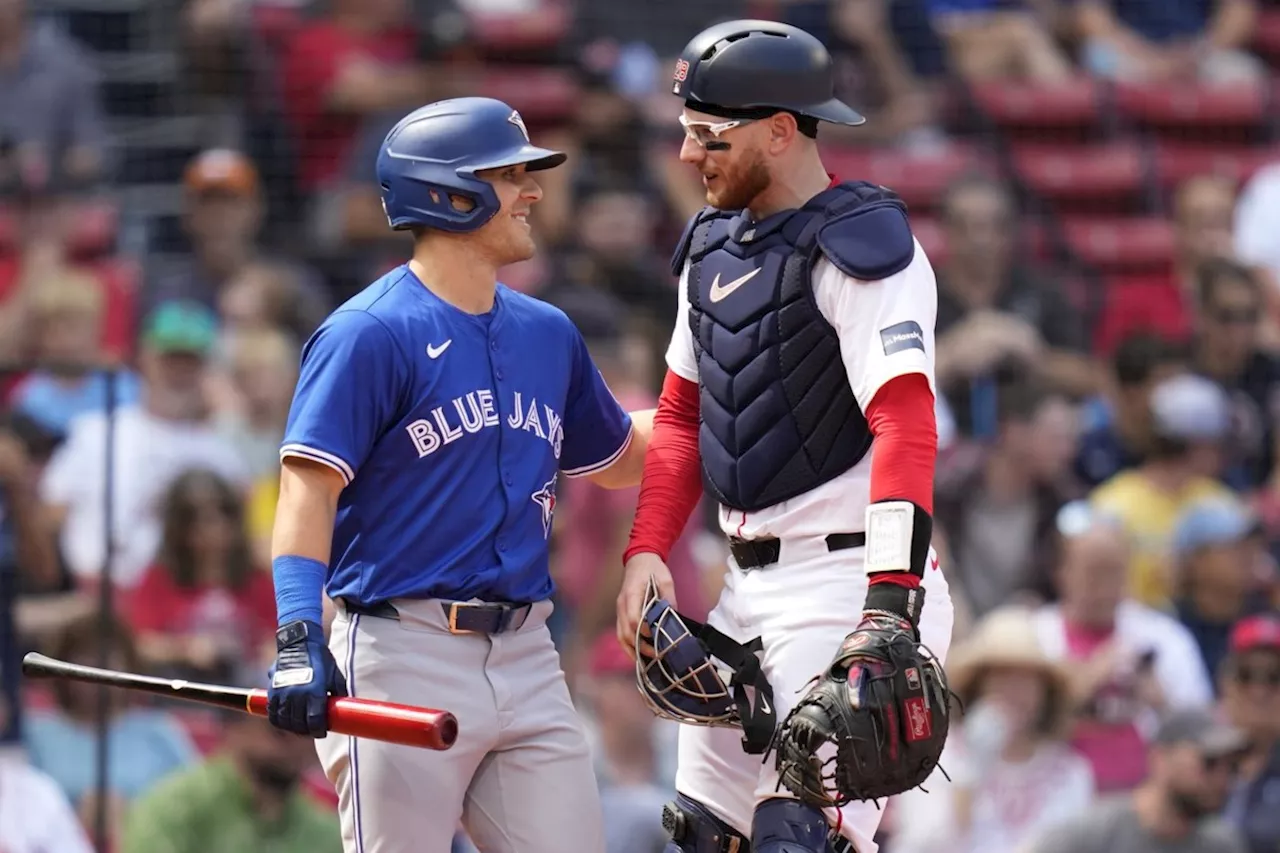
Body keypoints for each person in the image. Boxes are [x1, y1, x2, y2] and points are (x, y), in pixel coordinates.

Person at [264, 96, 656, 853]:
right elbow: (308, 488)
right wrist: (296, 633)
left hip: (529, 651)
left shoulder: (548, 331)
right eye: (509, 175)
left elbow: (619, 458)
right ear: (447, 193)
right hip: (401, 647)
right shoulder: (368, 333)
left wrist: (719, 398)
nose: (533, 192)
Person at [615, 20, 955, 853]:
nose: (690, 154)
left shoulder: (864, 246)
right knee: (702, 837)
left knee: (798, 841)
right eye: (687, 131)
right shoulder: (707, 250)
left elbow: (905, 421)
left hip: (849, 585)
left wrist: (888, 605)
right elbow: (685, 415)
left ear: (779, 129)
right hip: (744, 592)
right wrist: (647, 547)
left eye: (708, 134)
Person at [1023, 707, 1250, 853]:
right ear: (1160, 759)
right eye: (1209, 762)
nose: (1222, 780)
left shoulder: (1221, 844)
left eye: (1231, 767)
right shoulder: (1095, 834)